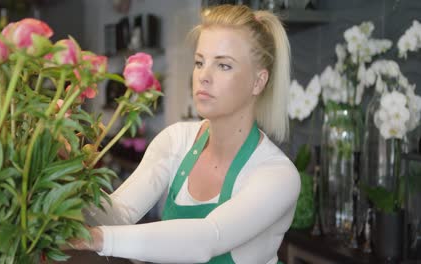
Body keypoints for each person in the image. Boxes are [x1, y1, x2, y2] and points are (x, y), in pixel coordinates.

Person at [71, 4, 301, 264]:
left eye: (224, 65)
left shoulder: (277, 175)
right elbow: (120, 213)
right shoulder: (176, 141)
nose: (204, 76)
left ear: (258, 81)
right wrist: (67, 181)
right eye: (200, 62)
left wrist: (99, 239)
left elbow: (206, 239)